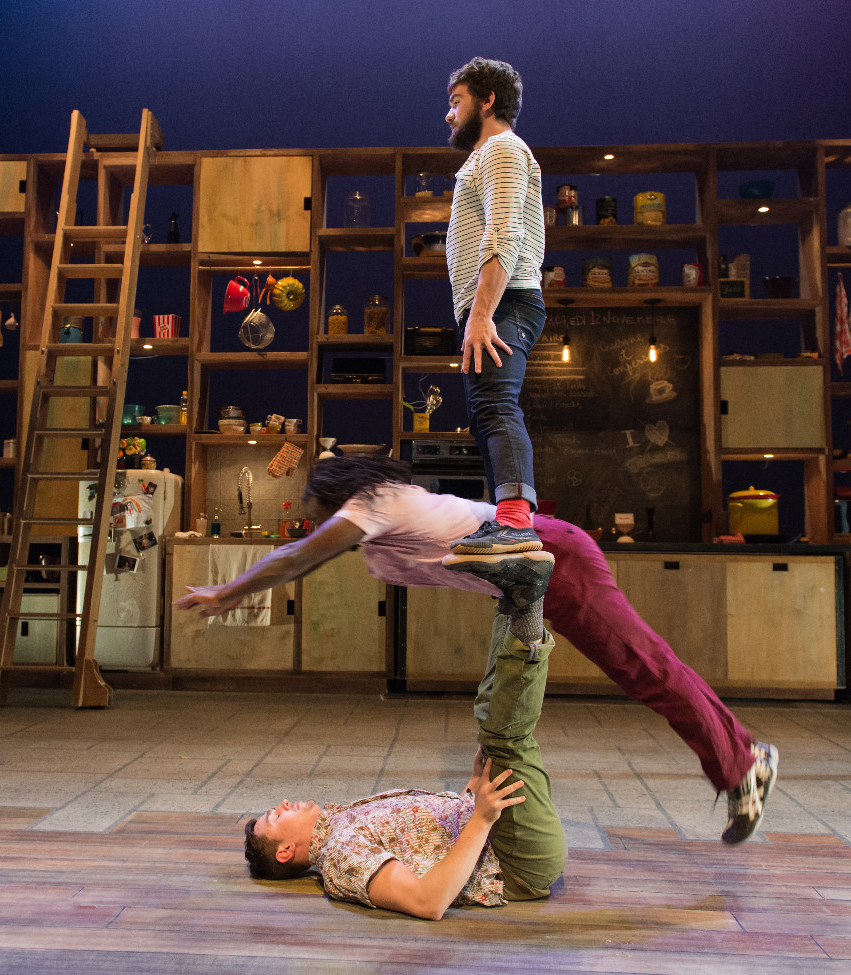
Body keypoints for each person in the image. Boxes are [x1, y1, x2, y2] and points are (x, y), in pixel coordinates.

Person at [174, 456, 778, 845]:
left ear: (338, 499)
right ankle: (742, 754)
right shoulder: (377, 527)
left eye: (316, 512)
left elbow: (299, 556)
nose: (316, 524)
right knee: (597, 679)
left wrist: (228, 592)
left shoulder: (374, 503)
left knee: (646, 668)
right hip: (524, 578)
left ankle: (743, 763)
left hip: (551, 555)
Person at [240, 613, 566, 919]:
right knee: (505, 737)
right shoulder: (342, 857)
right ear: (285, 851)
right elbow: (427, 902)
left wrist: (471, 788)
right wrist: (480, 820)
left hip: (494, 830)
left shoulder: (340, 823)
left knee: (489, 711)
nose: (284, 804)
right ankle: (527, 605)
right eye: (276, 816)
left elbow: (429, 843)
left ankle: (510, 600)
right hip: (512, 860)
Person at [442, 57, 548, 556]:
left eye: (456, 101)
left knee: (496, 406)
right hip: (492, 304)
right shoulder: (485, 156)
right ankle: (505, 526)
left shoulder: (503, 148)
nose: (448, 114)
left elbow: (505, 231)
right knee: (485, 412)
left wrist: (482, 314)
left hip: (504, 302)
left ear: (487, 101)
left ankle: (515, 524)